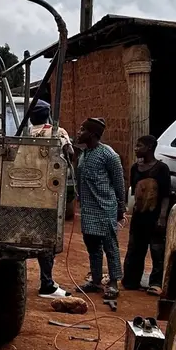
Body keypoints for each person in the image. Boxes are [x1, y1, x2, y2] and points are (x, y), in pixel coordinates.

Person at [74, 118, 126, 300]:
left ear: (93, 134)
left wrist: (121, 207)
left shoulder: (109, 155)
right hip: (88, 209)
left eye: (82, 129)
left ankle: (113, 282)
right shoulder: (84, 154)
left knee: (110, 246)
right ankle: (95, 280)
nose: (79, 132)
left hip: (105, 208)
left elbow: (119, 183)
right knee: (92, 246)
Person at [27, 100, 74, 298]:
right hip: (50, 191)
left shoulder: (26, 133)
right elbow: (70, 154)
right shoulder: (57, 132)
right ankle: (47, 284)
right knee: (48, 237)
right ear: (47, 115)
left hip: (27, 190)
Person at [123, 135, 171, 295]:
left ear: (150, 147)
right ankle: (131, 281)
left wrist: (162, 217)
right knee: (135, 249)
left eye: (139, 146)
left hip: (155, 216)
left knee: (157, 251)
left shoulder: (161, 169)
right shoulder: (135, 168)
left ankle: (156, 283)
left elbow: (165, 195)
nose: (136, 149)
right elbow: (134, 190)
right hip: (139, 216)